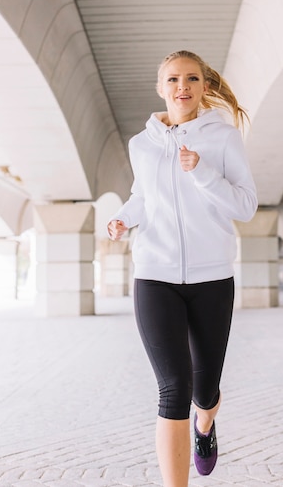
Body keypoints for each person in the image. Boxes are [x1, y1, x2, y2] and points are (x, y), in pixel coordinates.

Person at [107, 50, 257, 487]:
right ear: (161, 87)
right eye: (173, 79)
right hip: (155, 275)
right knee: (174, 389)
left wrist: (204, 172)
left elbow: (246, 206)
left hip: (212, 279)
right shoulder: (141, 144)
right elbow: (143, 198)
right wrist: (123, 217)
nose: (182, 86)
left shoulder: (224, 139)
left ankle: (205, 425)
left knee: (203, 392)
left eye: (192, 78)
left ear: (204, 86)